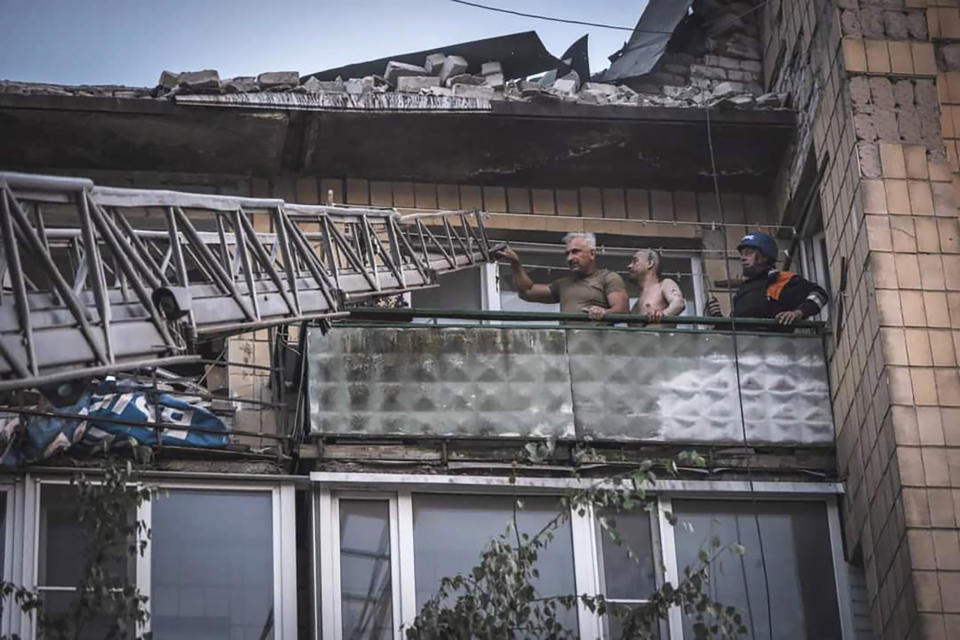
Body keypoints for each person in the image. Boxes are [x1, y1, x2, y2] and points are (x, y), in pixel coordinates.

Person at [706, 232, 828, 326]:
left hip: (777, 350)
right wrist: (718, 318)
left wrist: (798, 313)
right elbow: (737, 331)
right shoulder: (742, 291)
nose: (742, 258)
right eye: (742, 254)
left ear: (764, 256)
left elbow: (820, 294)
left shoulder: (782, 280)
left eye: (748, 253)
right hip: (748, 352)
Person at [496, 232, 629, 319]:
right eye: (567, 254)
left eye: (576, 252)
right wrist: (515, 263)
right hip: (569, 350)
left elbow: (622, 310)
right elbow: (527, 291)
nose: (570, 258)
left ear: (592, 254)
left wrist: (604, 313)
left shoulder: (608, 278)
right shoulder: (564, 284)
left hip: (598, 352)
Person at [612, 248, 686, 326]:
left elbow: (678, 303)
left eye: (635, 261)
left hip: (659, 337)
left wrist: (663, 314)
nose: (629, 266)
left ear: (650, 263)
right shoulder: (636, 306)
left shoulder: (664, 284)